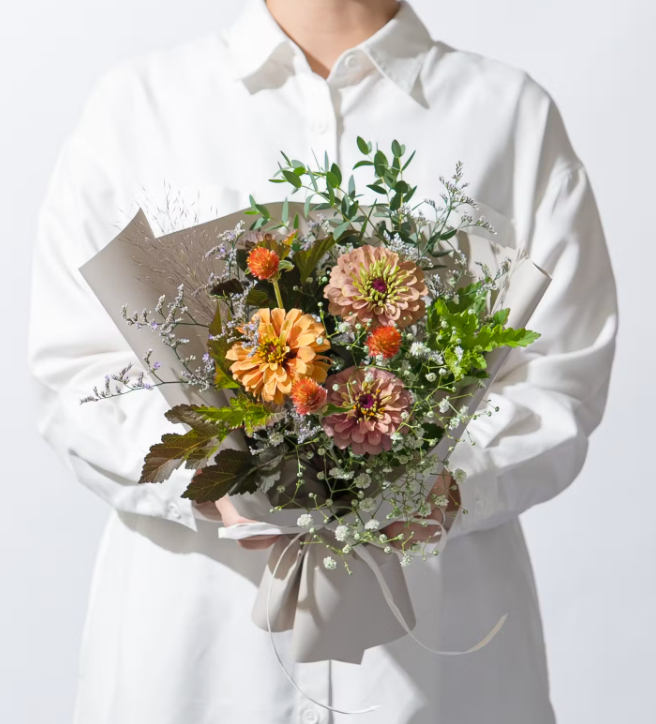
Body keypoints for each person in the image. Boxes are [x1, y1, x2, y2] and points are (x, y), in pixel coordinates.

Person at [27, 0, 618, 722]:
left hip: (437, 667)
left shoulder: (507, 114)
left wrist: (447, 484)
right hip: (199, 657)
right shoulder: (142, 104)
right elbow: (76, 367)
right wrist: (214, 481)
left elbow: (561, 371)